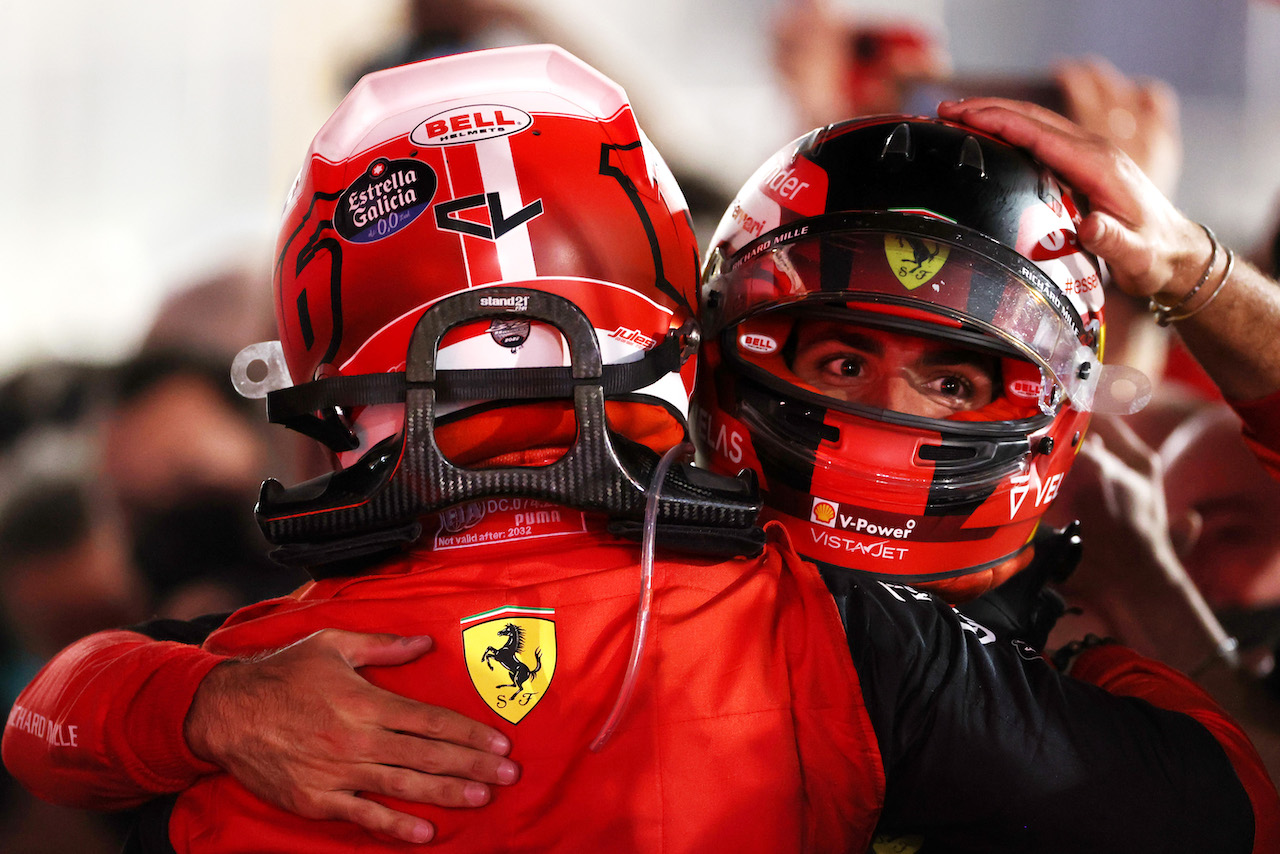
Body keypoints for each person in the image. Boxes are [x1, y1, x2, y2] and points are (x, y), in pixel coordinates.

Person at [6, 53, 1280, 854]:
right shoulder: (828, 637)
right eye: (838, 360)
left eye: (953, 374)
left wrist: (193, 700)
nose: (886, 419)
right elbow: (1235, 804)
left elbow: (48, 718)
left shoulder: (270, 661)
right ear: (703, 346)